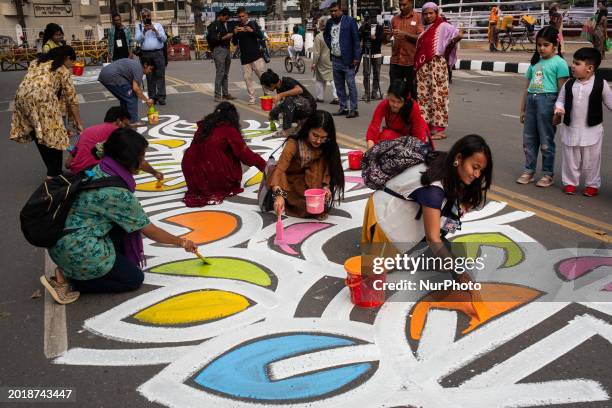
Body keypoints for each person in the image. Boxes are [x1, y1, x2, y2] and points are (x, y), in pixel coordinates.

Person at [42, 128, 198, 304]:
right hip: (77, 249)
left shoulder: (100, 168)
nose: (144, 161)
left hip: (60, 238)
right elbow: (150, 230)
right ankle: (68, 277)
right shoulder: (117, 193)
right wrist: (182, 242)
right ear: (131, 160)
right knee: (133, 279)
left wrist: (153, 172)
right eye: (142, 157)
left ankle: (74, 267)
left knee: (124, 226)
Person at [361, 135, 492, 297]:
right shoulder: (433, 190)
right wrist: (458, 273)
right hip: (384, 218)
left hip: (398, 208)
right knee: (376, 274)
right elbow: (433, 238)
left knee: (443, 256)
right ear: (459, 158)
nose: (477, 175)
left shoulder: (446, 163)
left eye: (481, 170)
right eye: (475, 167)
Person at [9, 46, 83, 178]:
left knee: (39, 132)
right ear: (67, 58)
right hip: (43, 100)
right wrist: (78, 122)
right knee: (57, 135)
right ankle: (54, 174)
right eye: (72, 62)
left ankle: (53, 172)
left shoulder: (36, 62)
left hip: (21, 99)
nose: (71, 66)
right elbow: (72, 99)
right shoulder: (62, 69)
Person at [182, 102, 266, 206]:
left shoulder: (205, 125)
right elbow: (246, 156)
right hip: (211, 173)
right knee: (230, 154)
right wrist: (266, 166)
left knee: (218, 151)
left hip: (192, 174)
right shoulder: (228, 129)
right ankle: (217, 183)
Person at [553, 48, 611, 197]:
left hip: (592, 130)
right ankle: (570, 183)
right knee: (570, 158)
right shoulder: (569, 84)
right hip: (570, 128)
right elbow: (560, 100)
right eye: (573, 62)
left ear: (590, 68)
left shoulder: (601, 84)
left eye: (577, 63)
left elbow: (610, 103)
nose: (572, 66)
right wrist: (559, 109)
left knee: (592, 160)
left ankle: (592, 184)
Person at [516, 26, 569, 188]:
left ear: (555, 45)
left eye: (546, 45)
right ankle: (529, 171)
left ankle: (547, 174)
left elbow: (562, 91)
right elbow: (527, 88)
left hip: (548, 103)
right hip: (532, 101)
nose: (541, 48)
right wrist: (523, 109)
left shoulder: (560, 63)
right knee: (529, 140)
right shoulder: (535, 63)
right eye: (539, 45)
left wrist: (558, 112)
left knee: (546, 141)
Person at [269, 110, 345, 219]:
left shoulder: (327, 144)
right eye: (315, 135)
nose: (318, 141)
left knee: (317, 164)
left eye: (323, 137)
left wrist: (326, 187)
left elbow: (327, 169)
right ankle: (287, 200)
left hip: (315, 185)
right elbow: (280, 170)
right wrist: (279, 196)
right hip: (290, 185)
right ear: (308, 129)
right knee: (303, 207)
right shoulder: (293, 144)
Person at [415, 2, 463, 140]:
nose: (428, 16)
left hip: (437, 66)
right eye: (425, 13)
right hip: (424, 69)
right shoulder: (425, 30)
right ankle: (427, 126)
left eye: (431, 13)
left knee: (438, 96)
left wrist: (455, 39)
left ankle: (440, 129)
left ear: (436, 13)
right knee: (424, 97)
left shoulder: (443, 26)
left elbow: (456, 35)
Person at [366, 80, 430, 148]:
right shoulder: (384, 104)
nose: (395, 105)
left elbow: (419, 133)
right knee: (383, 137)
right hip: (394, 135)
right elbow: (374, 127)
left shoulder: (413, 107)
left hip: (414, 137)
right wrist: (370, 151)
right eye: (392, 101)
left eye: (399, 102)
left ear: (405, 100)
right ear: (388, 96)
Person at [324, 2, 361, 119]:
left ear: (341, 10)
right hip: (335, 59)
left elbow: (356, 40)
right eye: (331, 11)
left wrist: (356, 57)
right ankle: (343, 107)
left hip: (348, 59)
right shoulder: (329, 23)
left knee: (350, 85)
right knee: (339, 85)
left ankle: (353, 109)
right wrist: (332, 46)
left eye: (335, 10)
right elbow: (326, 35)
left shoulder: (350, 21)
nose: (333, 13)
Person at [98, 57, 155, 126]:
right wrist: (147, 100)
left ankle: (123, 119)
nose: (150, 71)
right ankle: (133, 121)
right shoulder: (139, 69)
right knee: (132, 97)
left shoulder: (136, 63)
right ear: (145, 65)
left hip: (104, 74)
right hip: (113, 76)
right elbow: (136, 88)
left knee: (124, 99)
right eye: (150, 69)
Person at [384, 0, 423, 99]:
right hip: (396, 61)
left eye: (404, 5)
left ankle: (412, 113)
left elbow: (421, 38)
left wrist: (405, 34)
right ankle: (396, 114)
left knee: (413, 92)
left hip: (411, 62)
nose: (401, 7)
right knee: (395, 92)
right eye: (400, 5)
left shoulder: (418, 18)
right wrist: (386, 34)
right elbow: (387, 40)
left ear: (411, 4)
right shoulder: (394, 19)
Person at [260, 69, 317, 137]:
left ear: (271, 84)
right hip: (299, 106)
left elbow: (299, 90)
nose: (266, 88)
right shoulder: (279, 89)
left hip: (309, 106)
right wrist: (273, 113)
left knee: (288, 100)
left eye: (266, 86)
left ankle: (286, 130)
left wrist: (281, 95)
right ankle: (302, 122)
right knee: (275, 112)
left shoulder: (287, 81)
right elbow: (284, 106)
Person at [232, 7, 266, 105]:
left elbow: (261, 36)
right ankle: (252, 97)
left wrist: (252, 31)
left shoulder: (253, 23)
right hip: (245, 58)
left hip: (256, 56)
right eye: (239, 17)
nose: (241, 18)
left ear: (247, 15)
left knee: (263, 77)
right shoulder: (237, 26)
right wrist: (235, 34)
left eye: (243, 16)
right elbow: (234, 43)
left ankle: (267, 94)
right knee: (247, 78)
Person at [135, 8, 167, 105]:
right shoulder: (139, 26)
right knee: (150, 76)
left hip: (158, 53)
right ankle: (152, 97)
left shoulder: (158, 25)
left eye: (148, 16)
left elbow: (164, 39)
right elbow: (137, 40)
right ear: (142, 17)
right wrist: (144, 31)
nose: (146, 18)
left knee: (160, 75)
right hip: (146, 54)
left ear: (151, 16)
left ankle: (161, 97)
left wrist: (155, 30)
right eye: (144, 16)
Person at [207, 7, 235, 103]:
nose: (227, 20)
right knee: (220, 73)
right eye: (226, 18)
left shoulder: (225, 24)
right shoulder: (214, 25)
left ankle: (225, 94)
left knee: (226, 74)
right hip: (218, 50)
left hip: (227, 49)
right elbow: (212, 39)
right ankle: (217, 95)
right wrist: (225, 37)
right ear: (221, 16)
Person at [312, 17, 338, 105]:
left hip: (322, 61)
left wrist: (314, 63)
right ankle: (336, 96)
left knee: (320, 79)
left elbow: (316, 53)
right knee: (333, 78)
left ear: (321, 25)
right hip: (334, 59)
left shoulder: (319, 36)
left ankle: (320, 97)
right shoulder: (333, 34)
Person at [359, 12, 384, 101]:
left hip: (377, 53)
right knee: (366, 73)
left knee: (376, 74)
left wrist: (375, 37)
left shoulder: (380, 27)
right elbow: (359, 36)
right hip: (366, 53)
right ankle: (367, 93)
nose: (372, 20)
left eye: (374, 18)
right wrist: (363, 27)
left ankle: (374, 92)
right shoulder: (364, 27)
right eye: (370, 18)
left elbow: (382, 39)